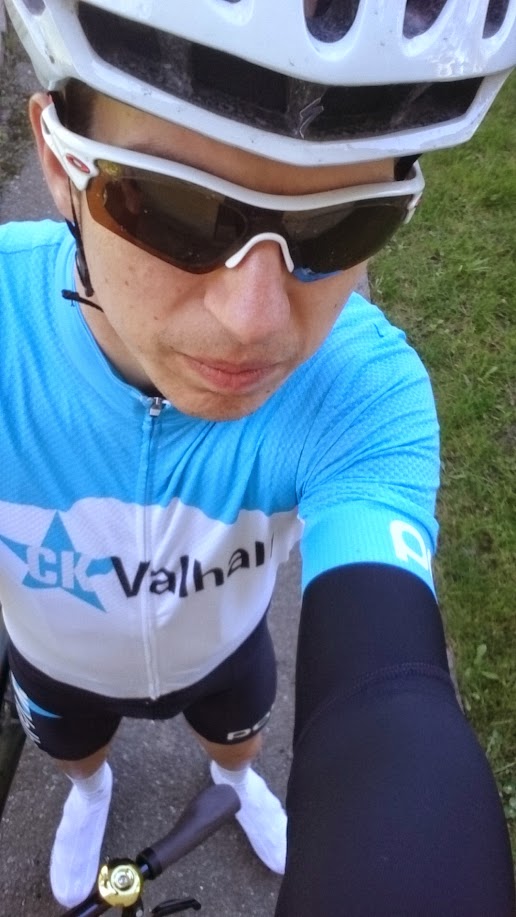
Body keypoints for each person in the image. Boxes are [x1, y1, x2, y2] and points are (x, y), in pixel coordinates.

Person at [1, 1, 515, 914]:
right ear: (55, 159)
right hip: (59, 668)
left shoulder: (361, 392)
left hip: (222, 657)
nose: (255, 320)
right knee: (76, 750)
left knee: (237, 740)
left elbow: (388, 704)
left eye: (343, 224)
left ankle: (235, 781)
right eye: (173, 208)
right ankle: (90, 790)